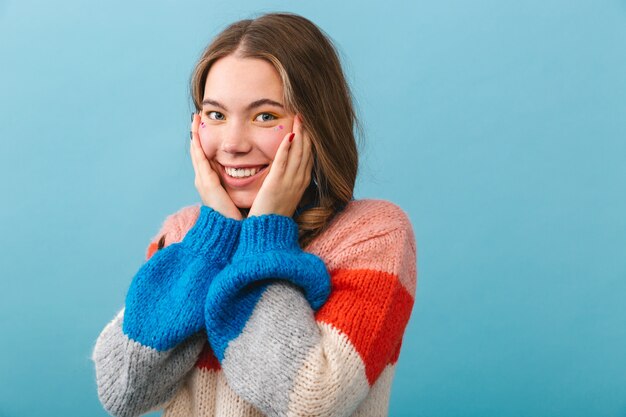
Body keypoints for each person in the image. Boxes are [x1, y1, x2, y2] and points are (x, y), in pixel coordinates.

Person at [91, 12, 417, 417]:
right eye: (215, 114)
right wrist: (212, 238)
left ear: (316, 124)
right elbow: (123, 391)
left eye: (265, 116)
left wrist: (265, 233)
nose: (232, 144)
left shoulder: (374, 235)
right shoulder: (184, 236)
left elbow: (311, 400)